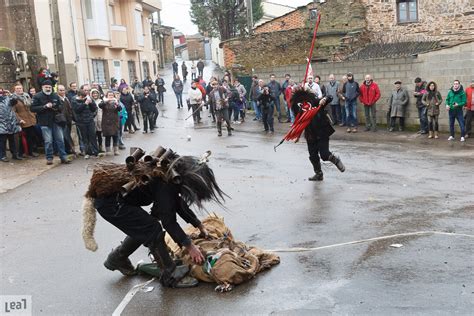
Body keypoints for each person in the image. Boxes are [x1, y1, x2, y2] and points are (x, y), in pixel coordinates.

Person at [82, 148, 226, 288]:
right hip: (111, 204)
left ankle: (117, 258)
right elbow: (169, 222)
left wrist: (198, 224)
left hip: (113, 201)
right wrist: (190, 247)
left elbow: (176, 203)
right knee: (152, 229)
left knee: (144, 228)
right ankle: (170, 276)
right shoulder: (165, 183)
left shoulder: (171, 172)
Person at [290, 88, 345, 181]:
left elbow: (329, 97)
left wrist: (325, 99)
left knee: (324, 155)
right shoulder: (297, 109)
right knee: (313, 156)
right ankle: (318, 174)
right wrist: (297, 135)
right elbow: (298, 122)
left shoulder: (315, 101)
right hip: (310, 134)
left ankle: (336, 160)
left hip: (322, 131)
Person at [31, 80, 71, 165]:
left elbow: (61, 106)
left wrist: (55, 106)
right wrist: (44, 106)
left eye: (49, 87)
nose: (48, 89)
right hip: (44, 122)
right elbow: (33, 108)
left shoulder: (55, 95)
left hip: (56, 121)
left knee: (60, 140)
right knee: (48, 141)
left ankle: (63, 157)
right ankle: (49, 158)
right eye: (46, 87)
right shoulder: (37, 96)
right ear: (42, 87)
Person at [72, 86, 100, 159]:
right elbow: (77, 110)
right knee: (84, 138)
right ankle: (88, 153)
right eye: (82, 97)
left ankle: (96, 152)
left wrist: (90, 103)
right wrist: (85, 103)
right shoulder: (74, 100)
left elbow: (94, 109)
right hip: (81, 122)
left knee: (93, 136)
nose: (83, 98)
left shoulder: (89, 98)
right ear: (79, 96)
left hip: (90, 120)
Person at [11, 84, 39, 157]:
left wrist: (34, 114)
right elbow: (13, 111)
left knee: (32, 137)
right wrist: (19, 119)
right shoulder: (13, 99)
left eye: (20, 88)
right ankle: (22, 152)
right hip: (23, 121)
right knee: (22, 138)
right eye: (17, 88)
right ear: (14, 90)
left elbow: (31, 106)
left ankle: (31, 151)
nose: (19, 89)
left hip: (31, 119)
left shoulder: (27, 96)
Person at [0, 88, 22, 162]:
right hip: (1, 124)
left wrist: (10, 94)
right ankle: (2, 156)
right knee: (2, 141)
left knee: (12, 140)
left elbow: (16, 100)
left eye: (1, 91)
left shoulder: (7, 98)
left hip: (10, 123)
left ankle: (15, 154)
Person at [57, 85, 77, 155]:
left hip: (68, 120)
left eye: (63, 90)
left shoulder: (66, 98)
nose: (62, 92)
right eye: (60, 90)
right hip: (62, 121)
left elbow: (70, 109)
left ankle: (69, 150)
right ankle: (69, 150)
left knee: (67, 135)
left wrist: (73, 118)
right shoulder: (57, 99)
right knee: (65, 136)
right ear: (57, 91)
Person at [100, 91, 121, 155]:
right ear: (107, 96)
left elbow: (120, 109)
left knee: (115, 136)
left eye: (112, 95)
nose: (111, 96)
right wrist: (106, 101)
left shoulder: (116, 102)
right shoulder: (104, 102)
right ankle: (108, 150)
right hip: (106, 122)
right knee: (108, 136)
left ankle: (116, 150)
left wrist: (117, 104)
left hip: (114, 121)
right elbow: (100, 105)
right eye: (109, 95)